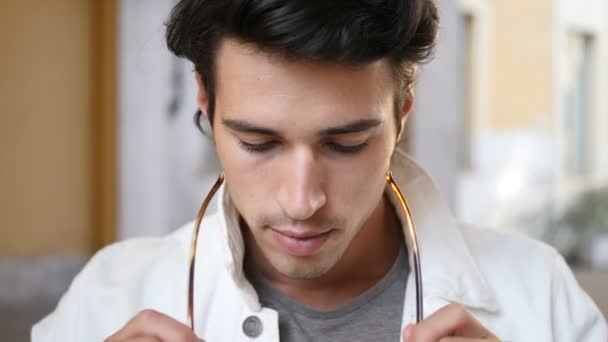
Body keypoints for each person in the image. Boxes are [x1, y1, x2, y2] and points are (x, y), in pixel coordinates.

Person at [33, 0, 607, 341]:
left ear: (402, 109)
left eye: (347, 143)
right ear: (205, 102)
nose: (302, 200)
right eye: (258, 142)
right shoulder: (105, 300)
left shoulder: (542, 296)